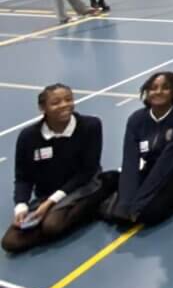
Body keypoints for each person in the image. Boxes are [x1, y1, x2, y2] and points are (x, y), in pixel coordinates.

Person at [2, 84, 113, 253]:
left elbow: (87, 171)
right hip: (47, 194)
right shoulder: (28, 137)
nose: (64, 105)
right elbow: (23, 177)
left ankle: (102, 193)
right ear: (42, 108)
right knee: (10, 242)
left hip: (83, 185)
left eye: (69, 99)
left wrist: (50, 203)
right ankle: (60, 217)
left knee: (52, 226)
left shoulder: (91, 126)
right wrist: (21, 207)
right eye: (56, 102)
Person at [107, 73, 173, 226]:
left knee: (148, 214)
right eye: (153, 88)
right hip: (153, 166)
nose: (158, 91)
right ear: (147, 92)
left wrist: (139, 203)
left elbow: (169, 160)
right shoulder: (136, 119)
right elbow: (130, 161)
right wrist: (125, 204)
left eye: (165, 88)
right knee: (116, 204)